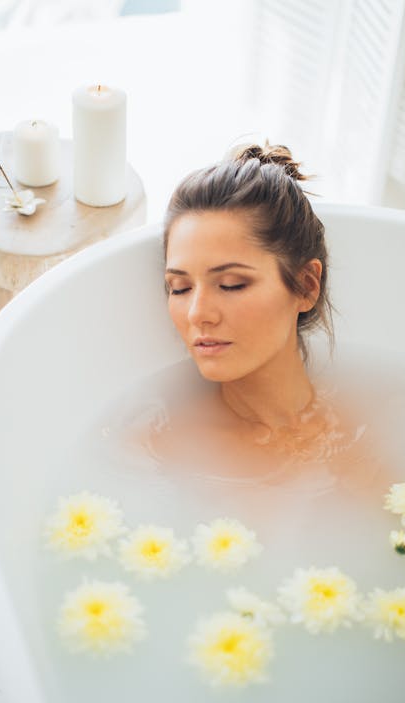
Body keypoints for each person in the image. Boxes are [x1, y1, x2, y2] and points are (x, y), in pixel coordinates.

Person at [128, 142, 385, 484]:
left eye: (232, 284)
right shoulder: (159, 448)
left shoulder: (370, 425)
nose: (196, 314)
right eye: (180, 288)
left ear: (307, 286)